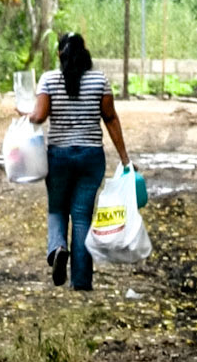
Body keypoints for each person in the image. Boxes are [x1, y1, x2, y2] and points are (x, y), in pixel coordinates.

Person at [29, 33, 130, 291]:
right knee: (82, 216)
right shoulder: (99, 80)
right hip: (90, 157)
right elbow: (110, 118)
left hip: (59, 157)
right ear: (84, 52)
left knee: (57, 208)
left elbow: (39, 116)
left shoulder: (49, 79)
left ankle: (57, 248)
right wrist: (125, 158)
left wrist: (26, 114)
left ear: (59, 54)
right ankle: (82, 281)